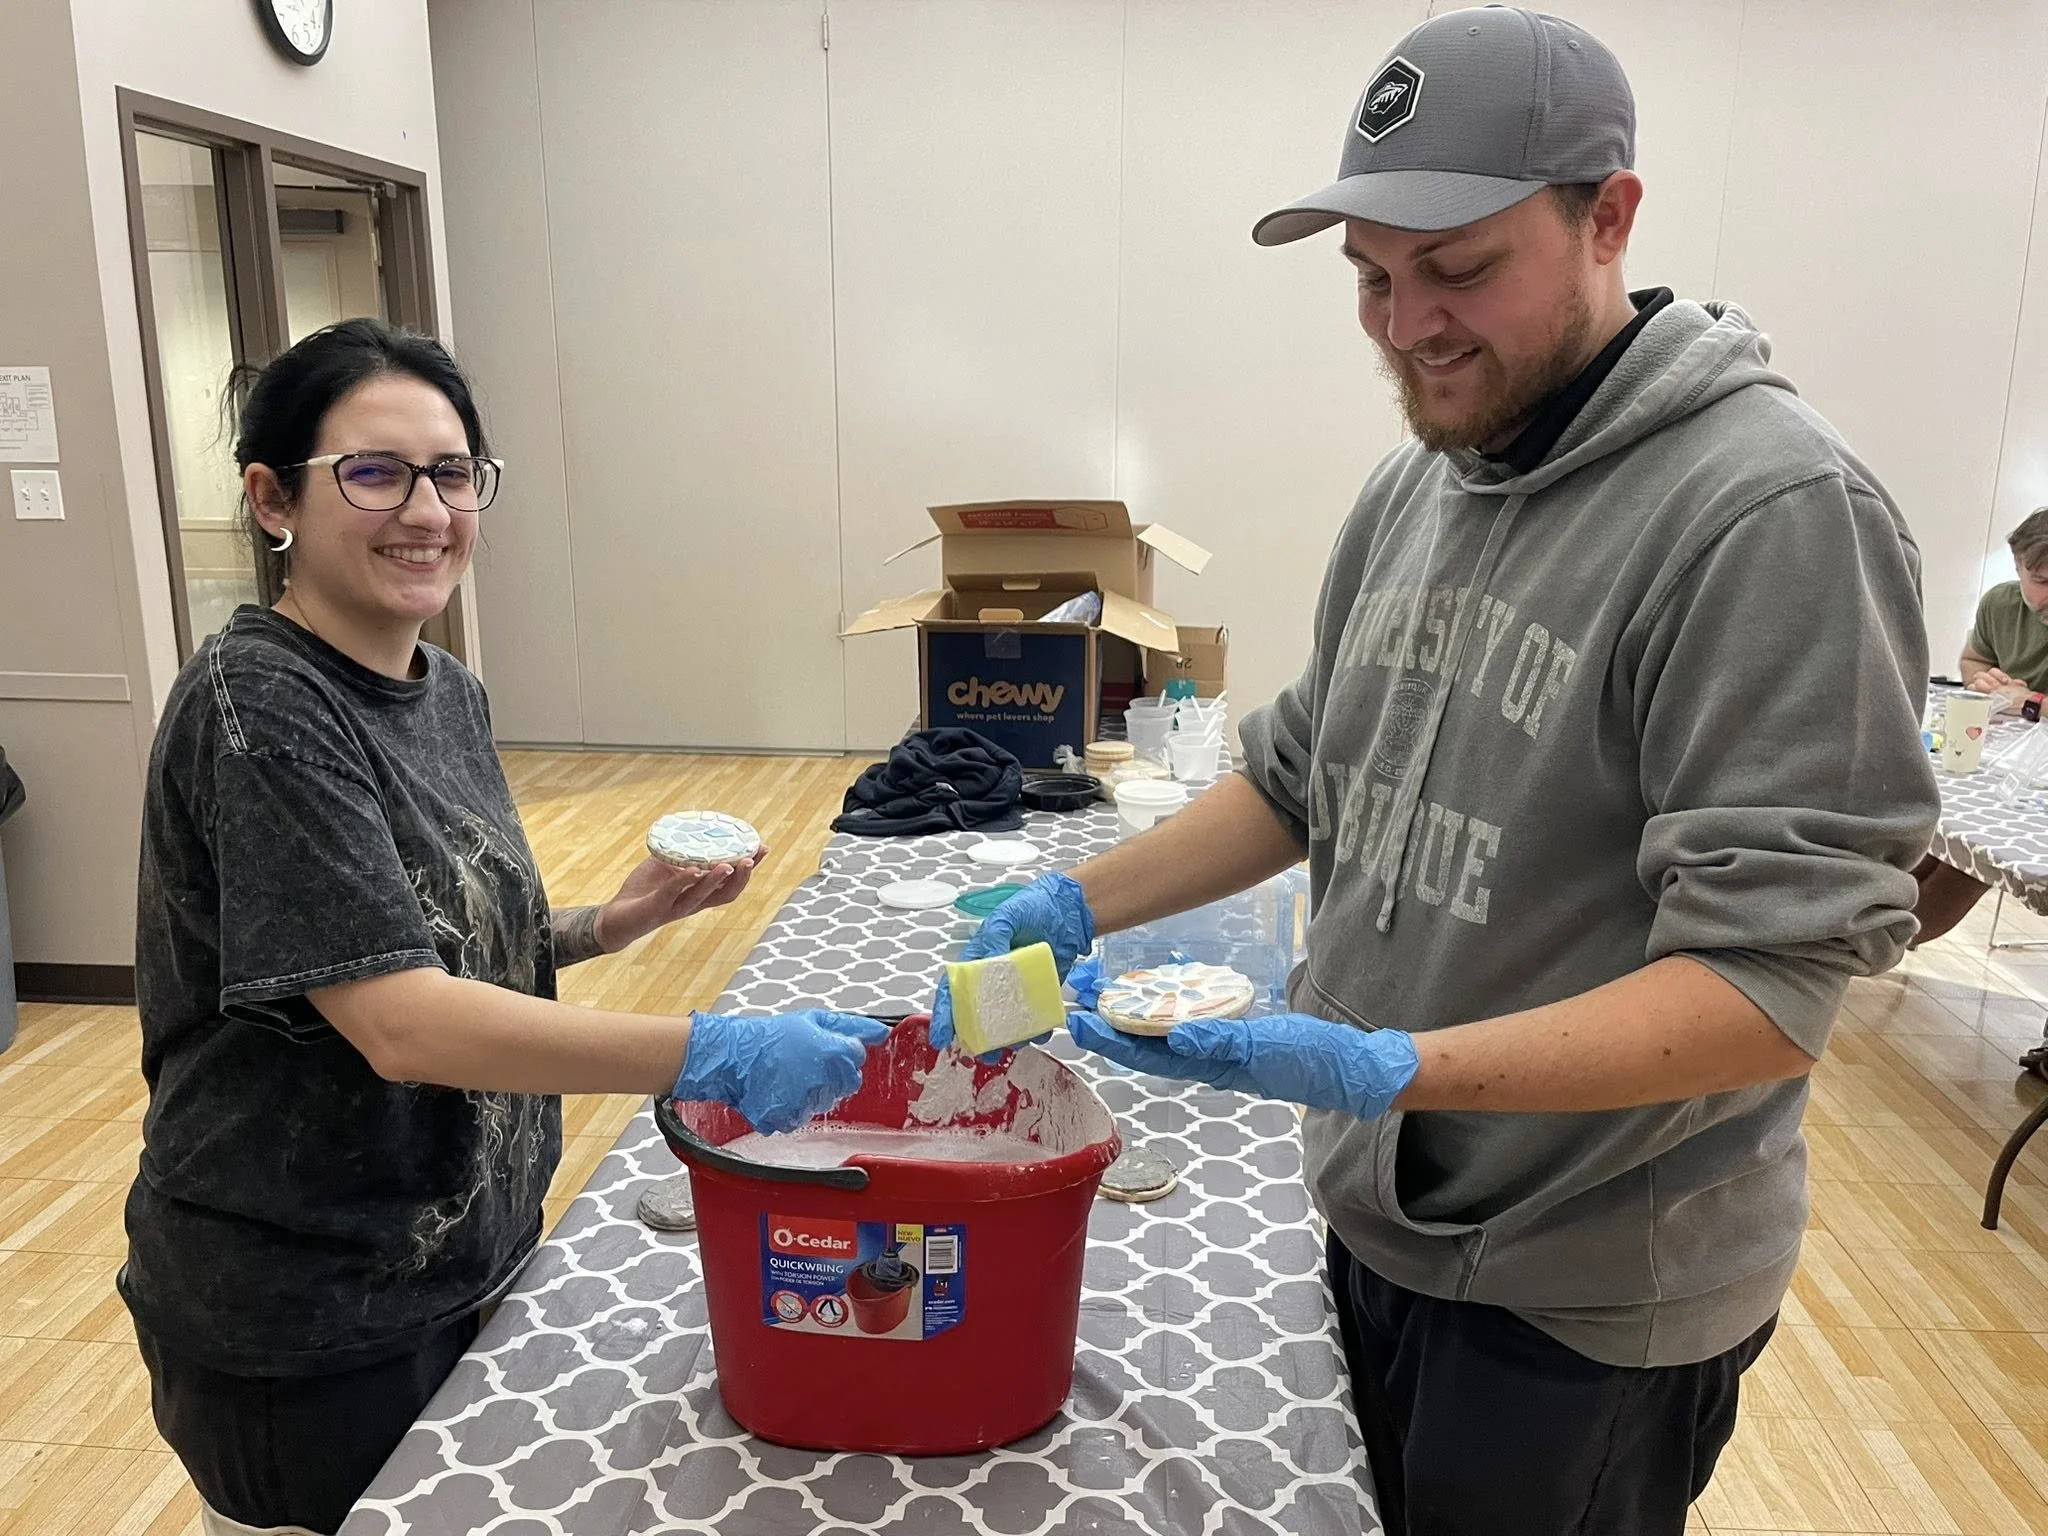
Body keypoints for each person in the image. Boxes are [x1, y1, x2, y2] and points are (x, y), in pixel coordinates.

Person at [935, 9, 1938, 1534]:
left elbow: (1766, 990)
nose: (1407, 327)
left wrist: (1394, 1064)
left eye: (1459, 269)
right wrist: (1076, 897)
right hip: (1384, 1206)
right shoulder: (1419, 483)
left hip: (1580, 1285)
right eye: (1371, 280)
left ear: (1610, 216)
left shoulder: (1770, 514)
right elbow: (1294, 773)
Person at [123, 318, 889, 1536]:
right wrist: (712, 1048)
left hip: (461, 1255)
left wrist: (611, 921)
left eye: (452, 473)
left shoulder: (445, 688)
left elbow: (438, 938)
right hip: (309, 1314)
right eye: (371, 472)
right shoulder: (261, 703)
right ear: (273, 498)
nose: (424, 511)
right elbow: (399, 1021)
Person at [1911, 508, 2048, 956]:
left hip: (2030, 785)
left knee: (1965, 857)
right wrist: (1983, 681)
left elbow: (2027, 703)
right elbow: (1971, 661)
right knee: (1922, 834)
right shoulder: (2001, 603)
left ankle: (1882, 937)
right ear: (2019, 569)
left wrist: (2026, 701)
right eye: (2041, 582)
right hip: (1998, 760)